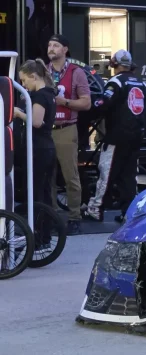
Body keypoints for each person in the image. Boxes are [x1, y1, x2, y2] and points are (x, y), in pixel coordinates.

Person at [82, 50, 146, 223]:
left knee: (107, 172)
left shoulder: (116, 82)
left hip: (117, 137)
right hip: (136, 136)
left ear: (115, 64)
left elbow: (103, 104)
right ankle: (128, 212)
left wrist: (88, 109)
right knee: (129, 176)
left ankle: (95, 209)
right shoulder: (142, 84)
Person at [47, 34, 90, 234]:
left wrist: (63, 102)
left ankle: (74, 217)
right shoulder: (43, 70)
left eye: (56, 45)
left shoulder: (76, 72)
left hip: (66, 128)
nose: (51, 48)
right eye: (49, 45)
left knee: (70, 176)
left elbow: (86, 103)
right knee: (47, 175)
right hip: (45, 128)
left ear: (65, 49)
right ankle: (50, 215)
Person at [14, 59, 57, 251]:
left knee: (37, 194)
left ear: (34, 76)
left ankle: (39, 237)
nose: (23, 86)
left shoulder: (40, 96)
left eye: (24, 81)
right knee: (43, 194)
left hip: (39, 149)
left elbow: (37, 122)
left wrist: (19, 113)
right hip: (45, 148)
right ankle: (43, 236)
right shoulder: (48, 93)